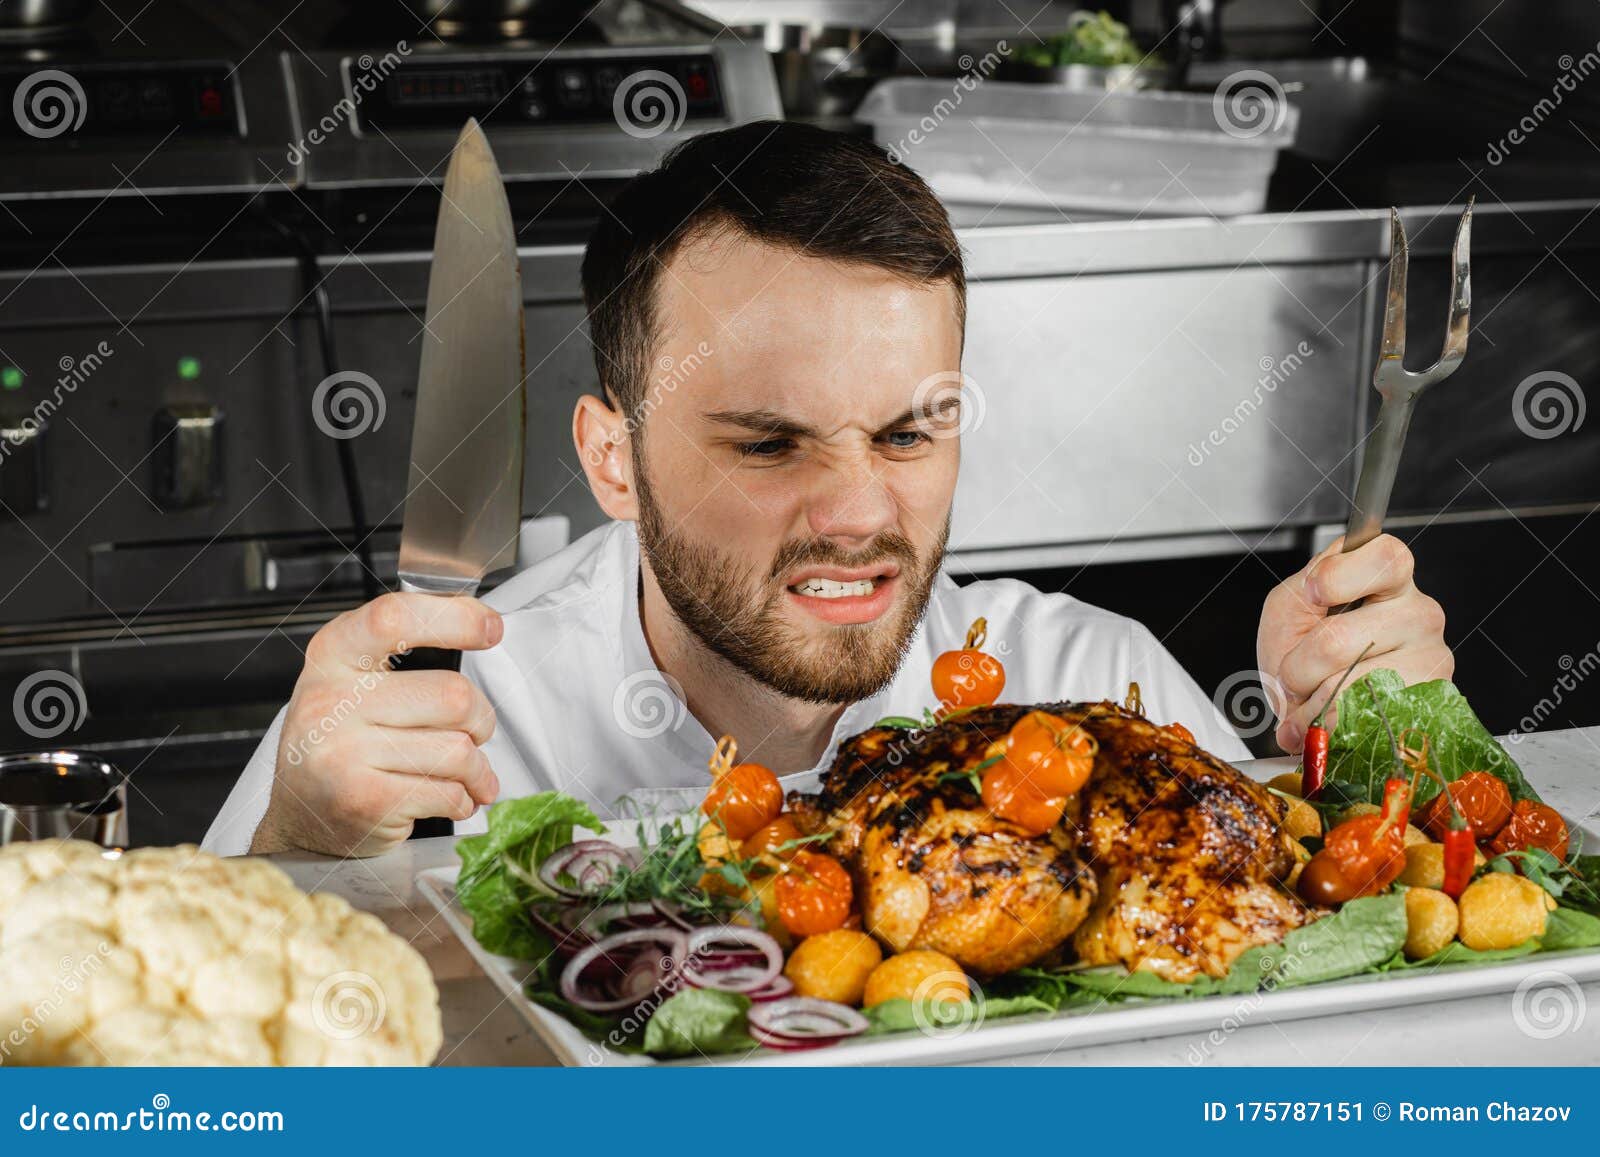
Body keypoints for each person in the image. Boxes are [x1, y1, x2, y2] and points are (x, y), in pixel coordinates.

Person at [204, 122, 1451, 858]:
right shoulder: (444, 709)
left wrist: (1363, 771)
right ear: (609, 460)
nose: (857, 513)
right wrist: (299, 857)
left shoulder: (1097, 688)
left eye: (908, 434)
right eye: (768, 443)